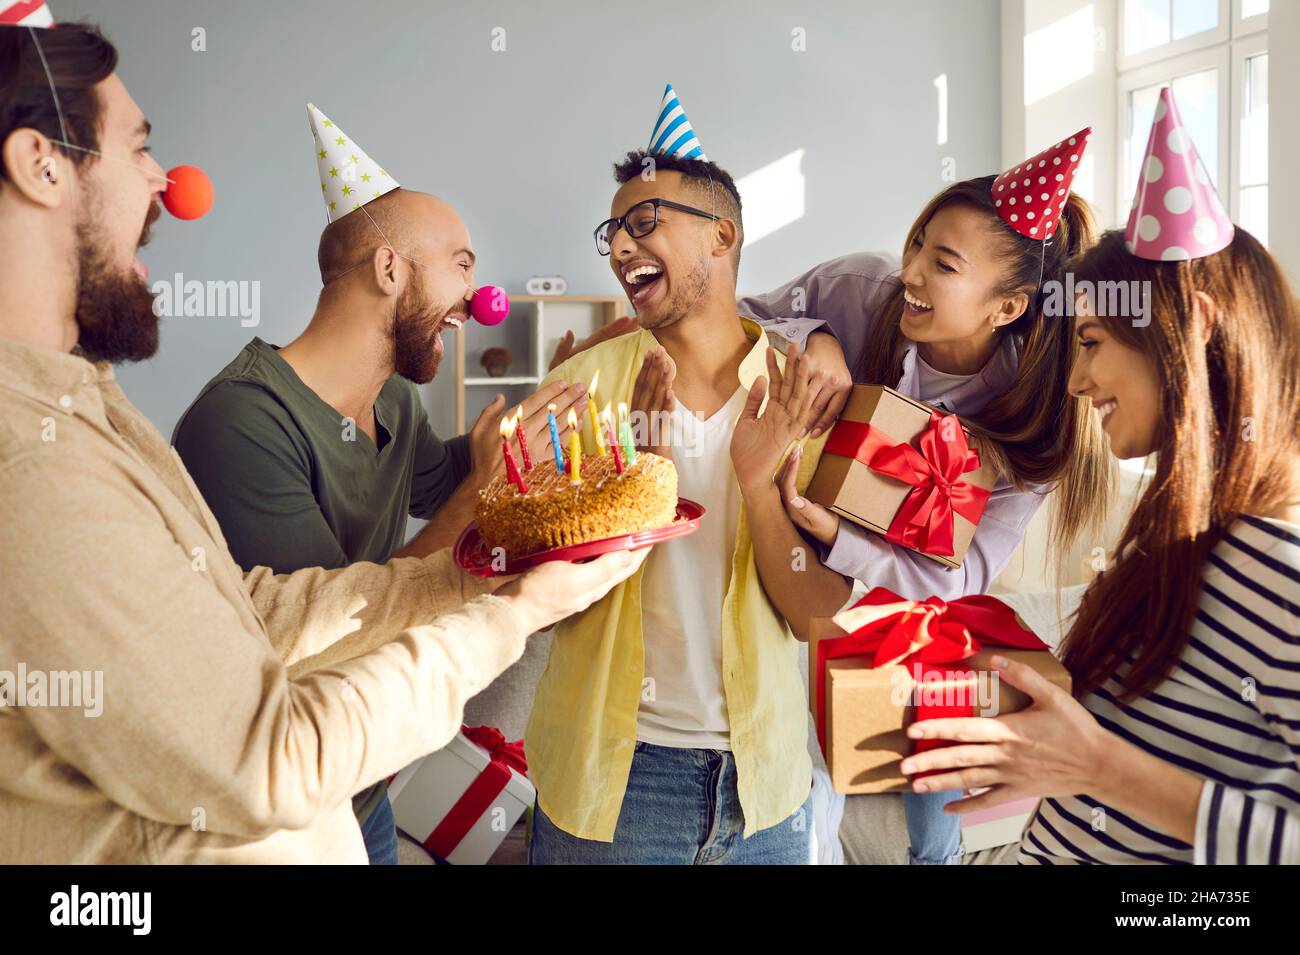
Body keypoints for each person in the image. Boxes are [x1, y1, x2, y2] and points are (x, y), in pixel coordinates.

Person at [0, 17, 644, 864]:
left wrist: (523, 454)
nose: (168, 183)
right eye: (137, 147)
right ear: (40, 165)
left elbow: (251, 610)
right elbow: (273, 735)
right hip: (323, 773)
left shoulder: (91, 403)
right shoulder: (143, 439)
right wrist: (512, 611)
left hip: (356, 797)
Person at [171, 105, 591, 862]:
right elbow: (335, 626)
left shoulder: (394, 397)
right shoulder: (239, 423)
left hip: (363, 788)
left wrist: (569, 379)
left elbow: (447, 476)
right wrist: (481, 498)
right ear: (389, 268)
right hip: (275, 810)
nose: (476, 295)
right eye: (461, 263)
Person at [900, 89, 1300, 865]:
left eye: (1090, 343)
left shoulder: (1273, 569)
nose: (1077, 382)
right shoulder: (1176, 543)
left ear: (1194, 329)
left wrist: (1099, 766)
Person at [736, 131, 1111, 863]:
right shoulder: (860, 290)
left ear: (1005, 307)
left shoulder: (1030, 420)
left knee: (921, 698)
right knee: (805, 753)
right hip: (779, 558)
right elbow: (735, 322)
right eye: (917, 244)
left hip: (896, 599)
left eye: (941, 264)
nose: (907, 271)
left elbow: (958, 576)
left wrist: (842, 539)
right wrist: (813, 336)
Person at [524, 85, 849, 864]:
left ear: (722, 236)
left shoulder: (806, 393)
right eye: (613, 232)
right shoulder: (579, 390)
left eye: (644, 223)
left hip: (767, 790)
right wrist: (640, 483)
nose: (619, 248)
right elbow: (540, 608)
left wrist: (762, 484)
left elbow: (816, 615)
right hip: (615, 785)